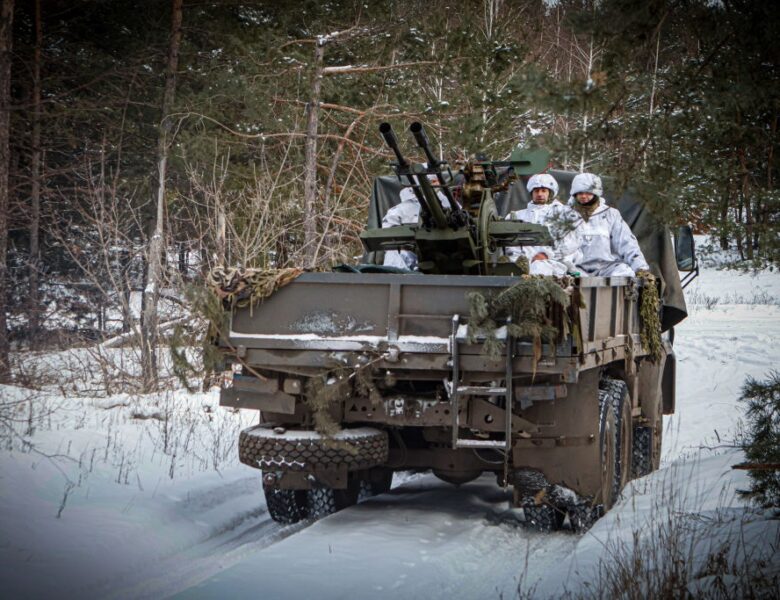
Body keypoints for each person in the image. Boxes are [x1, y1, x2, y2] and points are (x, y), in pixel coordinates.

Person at [564, 173, 650, 277]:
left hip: (607, 267)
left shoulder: (611, 214)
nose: (583, 196)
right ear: (574, 193)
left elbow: (626, 242)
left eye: (588, 192)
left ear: (596, 193)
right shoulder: (564, 215)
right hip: (577, 268)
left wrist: (640, 268)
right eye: (580, 192)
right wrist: (567, 266)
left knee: (625, 273)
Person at [505, 173, 575, 276]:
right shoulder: (517, 216)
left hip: (552, 265)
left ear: (550, 193)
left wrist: (546, 255)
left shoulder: (562, 214)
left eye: (543, 190)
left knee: (539, 268)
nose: (539, 194)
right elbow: (509, 245)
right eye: (536, 190)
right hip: (519, 266)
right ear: (531, 193)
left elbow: (569, 243)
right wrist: (520, 259)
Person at [382, 172, 450, 270]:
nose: (435, 184)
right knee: (394, 251)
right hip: (412, 254)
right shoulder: (399, 211)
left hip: (446, 251)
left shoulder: (449, 204)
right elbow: (388, 236)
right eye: (432, 181)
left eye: (436, 181)